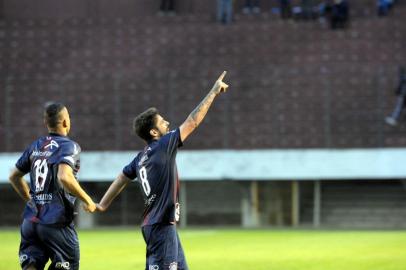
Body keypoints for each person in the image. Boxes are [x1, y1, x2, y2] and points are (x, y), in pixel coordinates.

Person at [96, 72, 229, 270]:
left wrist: (103, 204)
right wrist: (214, 91)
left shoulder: (140, 157)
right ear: (154, 132)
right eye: (162, 121)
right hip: (161, 227)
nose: (167, 123)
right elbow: (192, 122)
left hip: (159, 225)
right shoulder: (164, 144)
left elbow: (121, 177)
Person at [9, 102, 96, 270]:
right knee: (67, 264)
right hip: (55, 221)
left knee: (31, 265)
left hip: (31, 222)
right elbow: (65, 177)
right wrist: (88, 200)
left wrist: (31, 200)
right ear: (65, 122)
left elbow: (14, 176)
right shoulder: (69, 146)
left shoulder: (35, 146)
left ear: (46, 123)